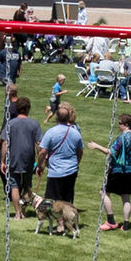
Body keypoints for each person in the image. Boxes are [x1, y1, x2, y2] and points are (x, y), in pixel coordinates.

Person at [36, 101, 84, 236]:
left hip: (56, 171)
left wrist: (40, 165)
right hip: (71, 170)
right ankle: (70, 221)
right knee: (67, 198)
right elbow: (80, 151)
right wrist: (76, 163)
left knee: (52, 199)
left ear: (56, 118)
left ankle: (61, 225)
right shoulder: (75, 133)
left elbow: (42, 152)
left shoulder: (51, 132)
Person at [98, 111, 131, 231]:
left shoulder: (122, 138)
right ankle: (125, 225)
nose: (118, 125)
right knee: (126, 197)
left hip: (119, 170)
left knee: (103, 192)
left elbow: (110, 152)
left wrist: (96, 146)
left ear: (126, 124)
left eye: (120, 123)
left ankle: (111, 221)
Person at [2, 96, 42, 222]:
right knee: (27, 185)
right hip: (28, 158)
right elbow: (39, 144)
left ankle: (17, 213)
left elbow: (4, 143)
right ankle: (24, 210)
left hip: (14, 157)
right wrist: (40, 162)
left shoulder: (11, 123)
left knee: (14, 185)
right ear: (28, 109)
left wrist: (3, 160)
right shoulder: (34, 124)